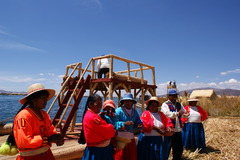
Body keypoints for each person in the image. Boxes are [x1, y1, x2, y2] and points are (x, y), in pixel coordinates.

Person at [13, 83, 64, 160]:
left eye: (46, 98)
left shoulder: (44, 115)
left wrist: (57, 138)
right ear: (33, 99)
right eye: (43, 98)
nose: (46, 101)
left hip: (47, 155)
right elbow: (24, 142)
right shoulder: (24, 116)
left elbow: (50, 130)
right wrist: (48, 139)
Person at [79, 94, 116, 160]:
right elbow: (107, 131)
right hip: (98, 151)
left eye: (101, 104)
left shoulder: (92, 114)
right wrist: (111, 128)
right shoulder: (92, 117)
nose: (100, 106)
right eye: (98, 104)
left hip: (99, 150)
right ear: (90, 104)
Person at [161, 89, 189, 160]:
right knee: (167, 147)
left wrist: (185, 114)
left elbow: (183, 113)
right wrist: (177, 113)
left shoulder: (179, 104)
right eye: (172, 96)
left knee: (178, 148)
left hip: (178, 130)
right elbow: (168, 114)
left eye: (175, 95)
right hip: (169, 130)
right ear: (169, 96)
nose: (174, 97)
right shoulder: (165, 105)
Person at [114, 92, 143, 160]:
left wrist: (139, 124)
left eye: (129, 101)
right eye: (126, 101)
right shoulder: (118, 111)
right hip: (120, 139)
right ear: (123, 102)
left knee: (131, 157)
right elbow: (114, 123)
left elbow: (138, 121)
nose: (128, 102)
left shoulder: (134, 111)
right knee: (120, 157)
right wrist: (124, 123)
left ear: (132, 102)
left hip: (131, 139)